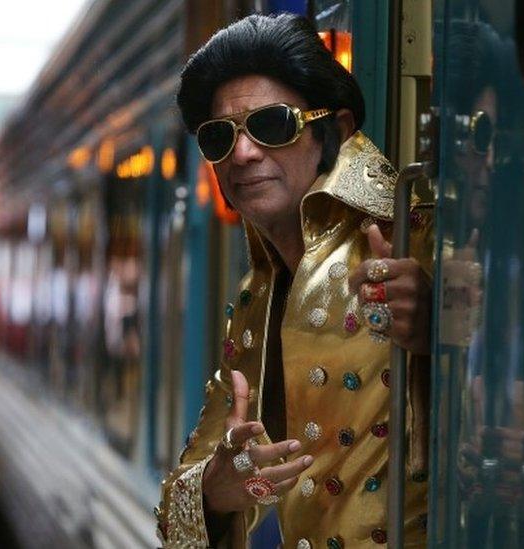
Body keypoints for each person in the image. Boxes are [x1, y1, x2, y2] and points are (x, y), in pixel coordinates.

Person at [156, 13, 434, 548]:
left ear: (338, 129)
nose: (242, 152)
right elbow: (176, 517)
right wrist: (217, 490)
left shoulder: (414, 234)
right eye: (220, 136)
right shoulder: (255, 296)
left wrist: (436, 335)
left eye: (273, 124)